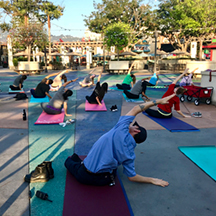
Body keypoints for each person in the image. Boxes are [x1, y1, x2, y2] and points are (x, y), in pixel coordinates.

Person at [64, 93, 176, 187]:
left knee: (69, 161)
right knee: (113, 166)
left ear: (136, 131)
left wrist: (158, 101)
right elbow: (132, 177)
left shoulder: (121, 129)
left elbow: (136, 109)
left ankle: (75, 161)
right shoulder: (130, 154)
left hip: (86, 176)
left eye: (133, 125)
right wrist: (152, 180)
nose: (131, 124)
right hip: (104, 179)